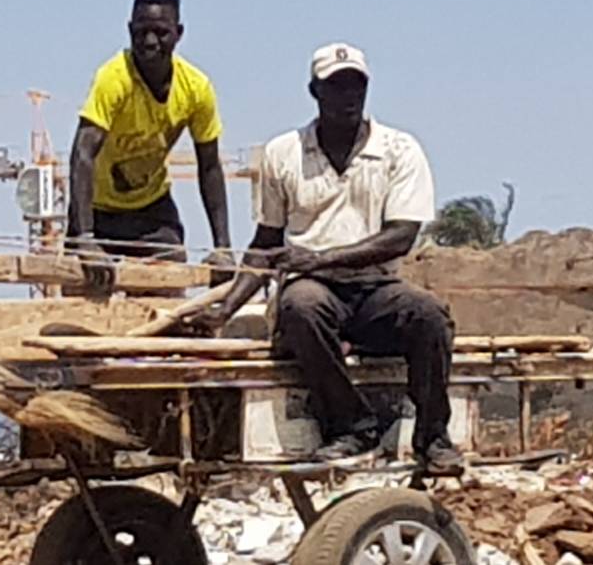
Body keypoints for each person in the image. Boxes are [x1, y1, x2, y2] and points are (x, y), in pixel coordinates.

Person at [196, 42, 462, 472]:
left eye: (356, 86)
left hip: (377, 287)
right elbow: (266, 242)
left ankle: (433, 437)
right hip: (315, 289)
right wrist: (226, 308)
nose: (348, 97)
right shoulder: (283, 153)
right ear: (314, 92)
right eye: (336, 87)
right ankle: (352, 427)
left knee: (429, 315)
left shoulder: (399, 150)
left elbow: (399, 238)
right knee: (300, 307)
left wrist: (318, 259)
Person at [67, 0, 234, 289]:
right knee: (82, 303)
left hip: (151, 211)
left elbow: (209, 165)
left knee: (165, 296)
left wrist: (222, 248)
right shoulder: (113, 78)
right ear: (130, 30)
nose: (150, 41)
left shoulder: (196, 88)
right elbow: (82, 153)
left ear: (179, 33)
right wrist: (85, 239)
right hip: (97, 211)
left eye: (161, 32)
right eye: (141, 32)